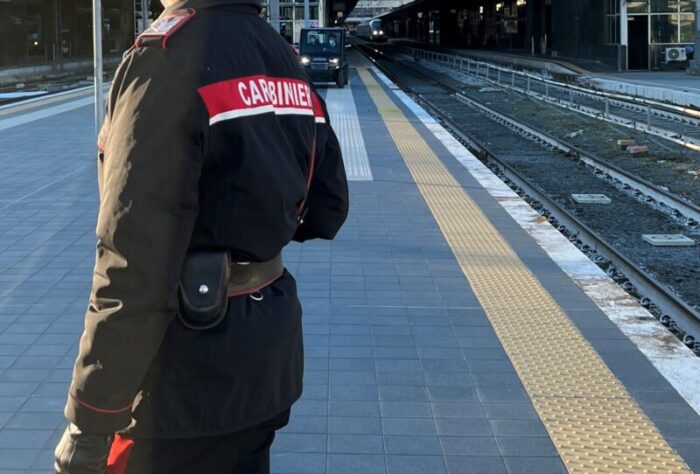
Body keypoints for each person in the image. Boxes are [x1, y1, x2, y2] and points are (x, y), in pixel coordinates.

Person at [53, 0, 349, 471]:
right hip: (266, 360)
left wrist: (90, 419)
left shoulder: (166, 59)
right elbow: (328, 209)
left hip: (183, 383)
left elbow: (134, 261)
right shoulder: (282, 58)